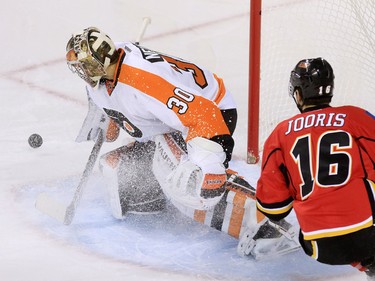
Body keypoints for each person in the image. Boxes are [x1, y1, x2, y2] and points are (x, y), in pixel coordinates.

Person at [65, 26, 299, 259]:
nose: (81, 73)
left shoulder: (141, 81)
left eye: (84, 66)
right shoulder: (105, 73)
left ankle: (269, 226)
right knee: (119, 172)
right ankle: (160, 193)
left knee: (189, 180)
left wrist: (207, 165)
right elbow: (111, 127)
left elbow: (204, 113)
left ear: (99, 63)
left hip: (213, 112)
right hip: (170, 123)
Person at [255, 57, 375, 279]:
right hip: (367, 234)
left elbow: (274, 208)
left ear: (298, 93)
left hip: (318, 245)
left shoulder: (279, 135)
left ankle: (366, 263)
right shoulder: (355, 117)